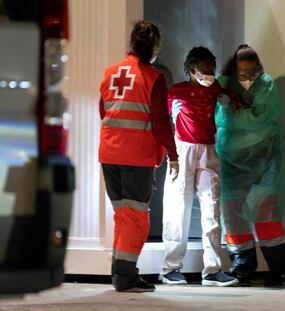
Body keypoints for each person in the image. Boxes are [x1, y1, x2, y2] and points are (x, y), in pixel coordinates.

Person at [98, 20, 179, 293]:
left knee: (123, 215)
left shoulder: (110, 72)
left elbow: (104, 110)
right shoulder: (153, 77)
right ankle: (126, 276)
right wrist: (173, 153)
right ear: (153, 47)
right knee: (136, 217)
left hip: (109, 154)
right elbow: (161, 121)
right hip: (136, 157)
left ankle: (120, 271)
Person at [160, 47, 238, 287]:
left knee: (211, 207)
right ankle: (170, 268)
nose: (210, 75)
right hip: (182, 149)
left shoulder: (213, 88)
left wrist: (232, 98)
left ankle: (213, 269)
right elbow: (165, 120)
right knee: (177, 207)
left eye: (212, 70)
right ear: (192, 70)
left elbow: (224, 93)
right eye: (205, 71)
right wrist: (168, 152)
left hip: (208, 149)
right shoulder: (176, 92)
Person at [215, 44, 285, 286]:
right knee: (233, 213)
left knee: (265, 212)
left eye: (251, 74)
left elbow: (262, 118)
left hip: (265, 159)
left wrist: (237, 115)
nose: (246, 79)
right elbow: (221, 117)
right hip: (231, 161)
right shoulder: (224, 83)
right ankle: (242, 267)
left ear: (258, 68)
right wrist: (244, 114)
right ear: (234, 69)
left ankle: (279, 270)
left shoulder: (267, 84)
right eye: (242, 75)